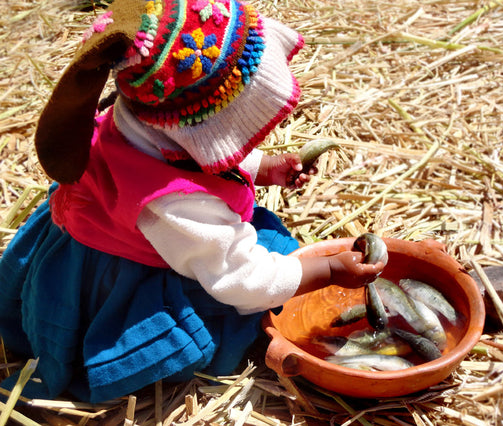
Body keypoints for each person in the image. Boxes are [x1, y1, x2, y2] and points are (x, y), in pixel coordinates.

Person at [0, 0, 383, 403]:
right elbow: (241, 280)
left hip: (103, 232)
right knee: (241, 315)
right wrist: (327, 270)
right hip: (121, 274)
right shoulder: (175, 206)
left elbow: (187, 151)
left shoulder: (143, 116)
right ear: (204, 132)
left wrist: (263, 167)